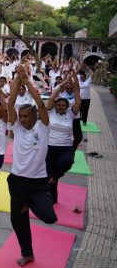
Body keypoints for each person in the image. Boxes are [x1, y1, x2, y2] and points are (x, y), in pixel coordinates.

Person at [7, 65, 57, 267]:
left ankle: (31, 203)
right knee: (18, 221)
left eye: (27, 116)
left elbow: (42, 106)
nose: (23, 119)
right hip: (17, 181)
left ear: (35, 116)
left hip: (37, 183)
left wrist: (27, 80)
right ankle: (27, 253)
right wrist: (17, 79)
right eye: (22, 116)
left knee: (49, 217)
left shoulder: (43, 127)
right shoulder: (17, 129)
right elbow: (10, 105)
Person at [45, 74, 80, 203]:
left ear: (67, 107)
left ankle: (55, 177)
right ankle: (52, 198)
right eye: (58, 105)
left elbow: (78, 102)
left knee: (67, 162)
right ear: (55, 106)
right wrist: (63, 83)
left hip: (66, 147)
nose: (60, 107)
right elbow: (52, 96)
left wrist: (75, 88)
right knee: (49, 173)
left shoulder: (71, 114)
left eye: (63, 105)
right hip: (50, 146)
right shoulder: (51, 111)